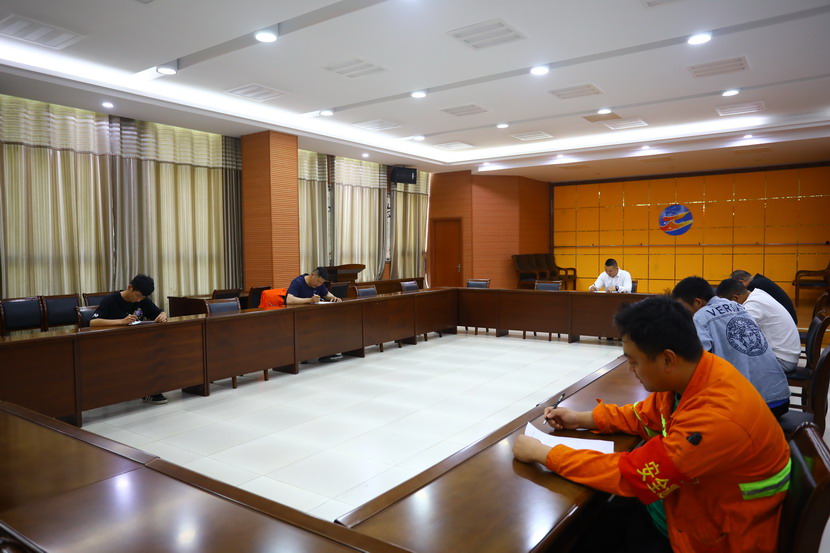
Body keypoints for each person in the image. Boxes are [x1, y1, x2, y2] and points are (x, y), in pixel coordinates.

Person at [512, 295, 790, 553]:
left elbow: (633, 476)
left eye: (634, 362)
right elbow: (646, 416)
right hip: (688, 502)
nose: (631, 370)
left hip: (714, 535)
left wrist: (544, 454)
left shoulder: (716, 416)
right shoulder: (697, 373)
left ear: (668, 359)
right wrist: (582, 418)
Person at [671, 276, 790, 417]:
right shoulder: (738, 306)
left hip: (753, 407)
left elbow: (694, 363)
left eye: (682, 308)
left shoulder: (700, 317)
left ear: (697, 302)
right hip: (780, 399)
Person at [90, 273, 170, 404]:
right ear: (130, 287)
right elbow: (93, 322)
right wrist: (120, 322)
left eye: (142, 298)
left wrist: (163, 314)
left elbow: (158, 312)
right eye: (137, 296)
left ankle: (150, 391)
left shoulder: (143, 301)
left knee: (157, 352)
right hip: (112, 344)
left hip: (136, 343)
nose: (139, 300)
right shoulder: (111, 300)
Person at [716, 278, 800, 375]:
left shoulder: (752, 306)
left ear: (735, 298)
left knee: (726, 366)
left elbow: (732, 333)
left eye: (725, 305)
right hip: (786, 355)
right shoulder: (758, 293)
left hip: (782, 360)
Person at [286, 267, 342, 363]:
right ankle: (309, 354)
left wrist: (333, 297)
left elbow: (326, 294)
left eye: (321, 283)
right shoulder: (298, 282)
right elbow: (289, 300)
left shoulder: (319, 285)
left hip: (312, 316)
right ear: (312, 275)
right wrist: (309, 300)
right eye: (318, 282)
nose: (318, 285)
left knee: (330, 322)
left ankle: (326, 352)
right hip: (297, 317)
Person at [730, 269, 797, 324]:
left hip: (786, 321)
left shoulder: (755, 286)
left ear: (741, 282)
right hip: (787, 318)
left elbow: (744, 309)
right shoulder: (760, 280)